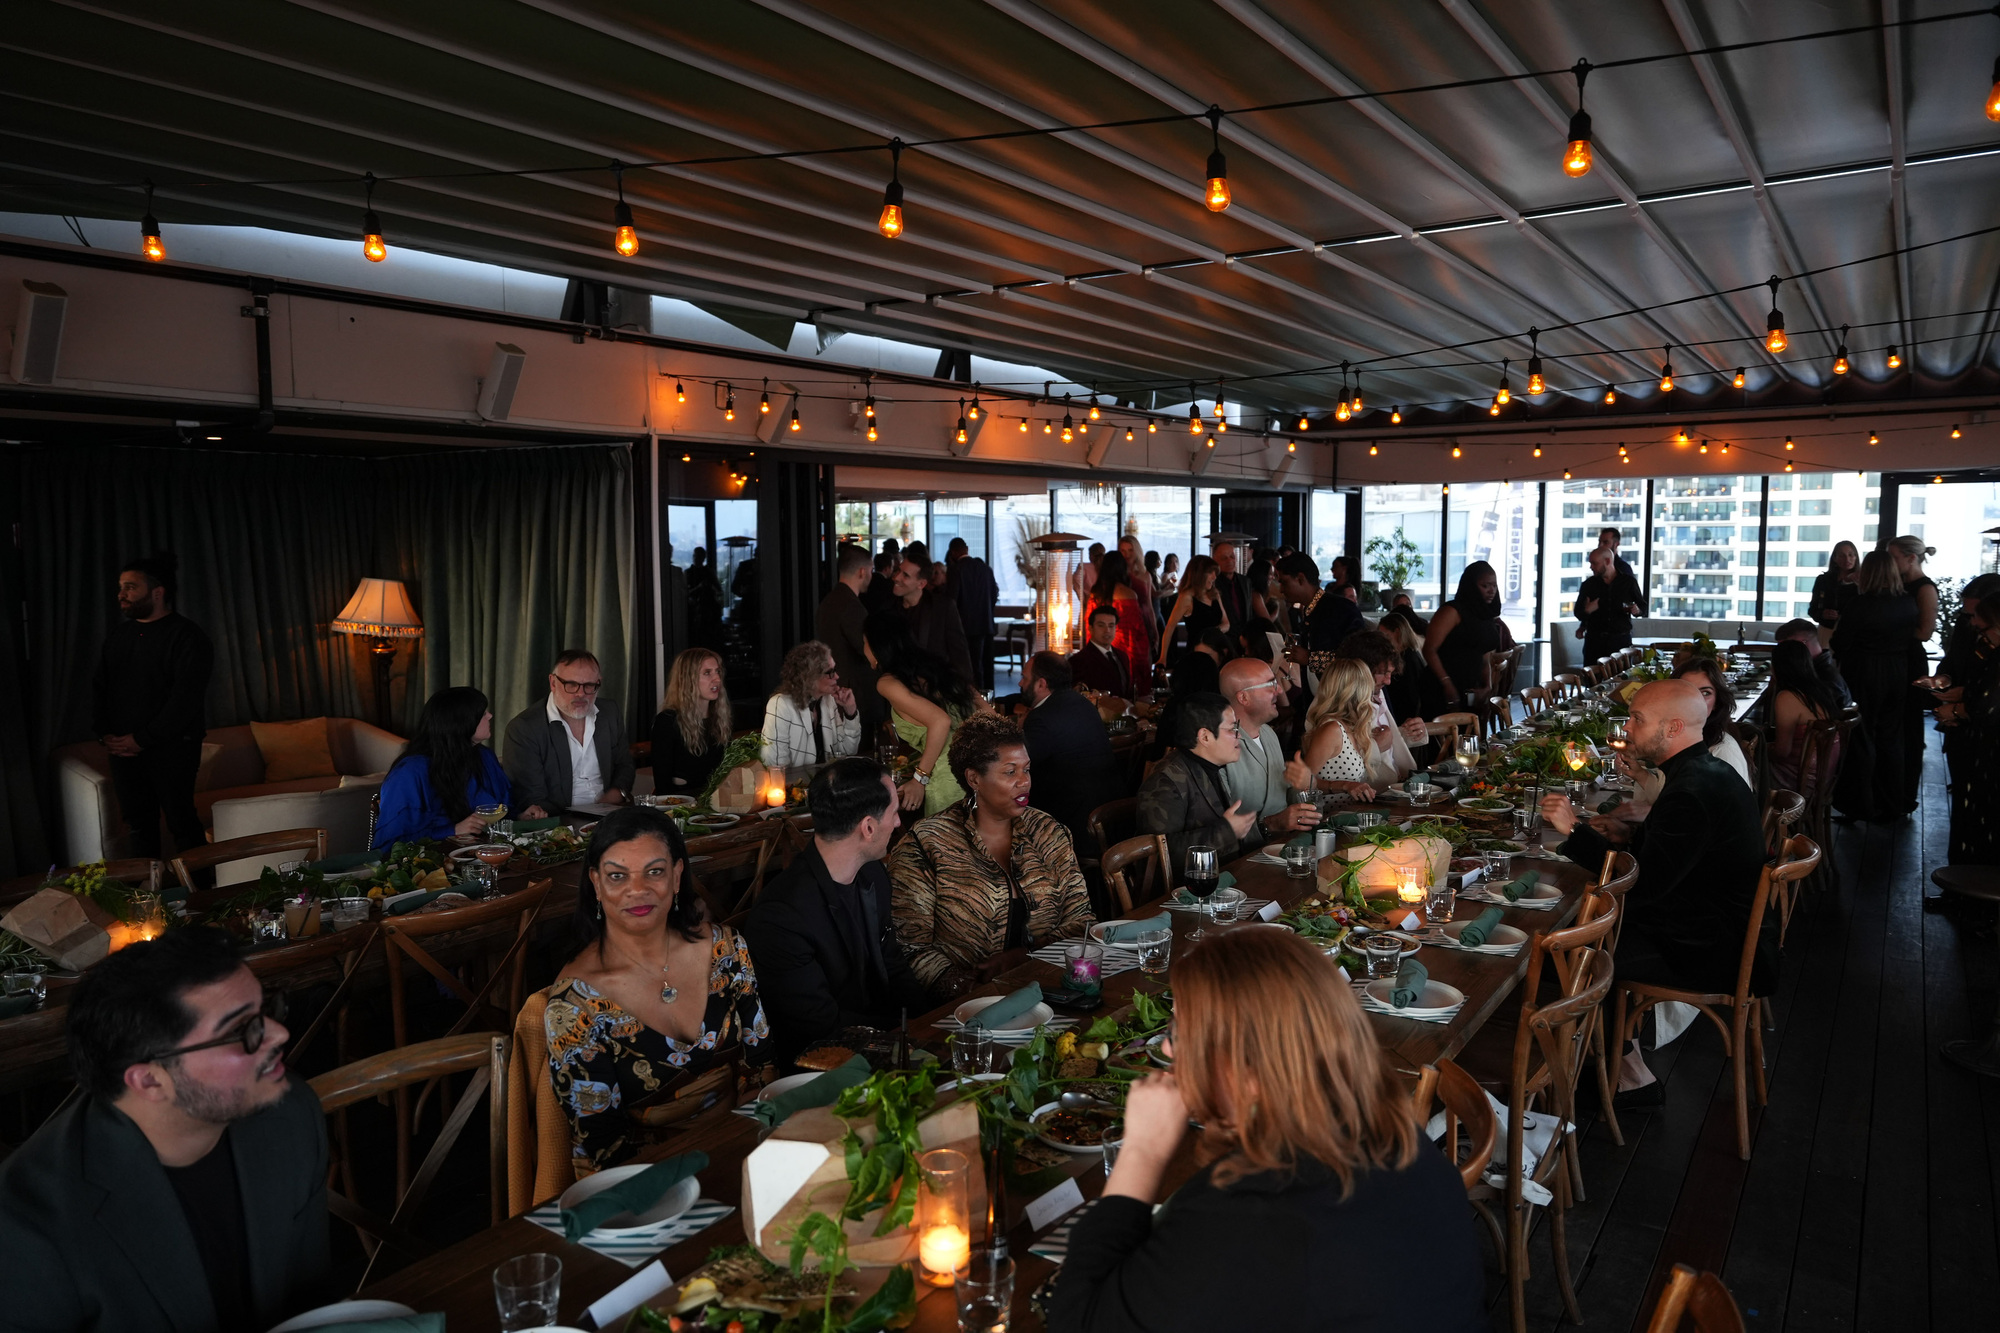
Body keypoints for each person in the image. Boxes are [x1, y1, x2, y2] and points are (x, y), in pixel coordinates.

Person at [1046, 926, 1484, 1333]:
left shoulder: (1251, 1214)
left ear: (1247, 1064)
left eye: (1181, 1030)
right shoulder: (1403, 1142)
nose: (1167, 1047)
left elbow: (1079, 1320)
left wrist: (1142, 1150)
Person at [0, 927, 330, 1333]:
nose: (280, 1034)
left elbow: (310, 1307)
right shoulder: (27, 1224)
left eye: (267, 1008)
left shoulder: (289, 1115)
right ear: (150, 1081)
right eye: (242, 1030)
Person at [1541, 680, 1767, 1101]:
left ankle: (1629, 1076)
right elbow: (1674, 858)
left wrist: (1573, 831)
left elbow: (1644, 886)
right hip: (1706, 921)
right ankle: (1602, 1057)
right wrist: (1628, 836)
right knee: (1586, 931)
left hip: (1708, 947)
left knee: (1575, 953)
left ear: (1673, 728)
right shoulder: (1701, 771)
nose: (1627, 728)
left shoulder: (1692, 790)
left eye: (1637, 719)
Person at [547, 807, 771, 1173]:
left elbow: (761, 1068)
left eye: (654, 872)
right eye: (617, 876)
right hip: (645, 1183)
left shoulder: (726, 950)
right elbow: (605, 1145)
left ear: (677, 875)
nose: (638, 890)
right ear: (596, 884)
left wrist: (753, 1155)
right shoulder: (575, 1005)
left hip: (746, 1151)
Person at [886, 713, 1095, 1000]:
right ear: (974, 778)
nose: (1024, 781)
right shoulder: (926, 844)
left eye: (1027, 769)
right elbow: (911, 948)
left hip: (1054, 989)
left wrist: (1028, 956)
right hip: (965, 1007)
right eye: (1010, 772)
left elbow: (1081, 920)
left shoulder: (1047, 832)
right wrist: (970, 990)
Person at [742, 758, 929, 1068]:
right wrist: (906, 1038)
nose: (898, 823)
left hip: (889, 1039)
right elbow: (818, 1026)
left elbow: (892, 962)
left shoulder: (873, 874)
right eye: (894, 813)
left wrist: (928, 1022)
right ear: (868, 828)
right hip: (823, 1067)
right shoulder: (781, 918)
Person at [92, 552, 214, 859]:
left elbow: (185, 700)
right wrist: (105, 734)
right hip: (124, 750)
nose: (121, 594)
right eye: (121, 587)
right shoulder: (119, 636)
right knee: (138, 824)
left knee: (181, 822)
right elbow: (101, 687)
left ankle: (201, 886)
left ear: (157, 592)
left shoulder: (187, 636)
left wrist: (143, 739)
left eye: (130, 587)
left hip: (173, 748)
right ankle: (146, 888)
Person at [1831, 548, 1919, 819]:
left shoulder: (1860, 604)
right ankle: (1891, 803)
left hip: (1864, 670)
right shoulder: (1907, 602)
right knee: (1891, 737)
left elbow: (1840, 642)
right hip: (1898, 670)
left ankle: (1859, 804)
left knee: (1861, 736)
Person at [866, 610, 979, 816]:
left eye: (864, 642)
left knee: (946, 837)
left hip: (948, 778)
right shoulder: (936, 669)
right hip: (978, 772)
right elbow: (986, 711)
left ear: (876, 646)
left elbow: (940, 721)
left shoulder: (887, 683)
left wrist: (919, 778)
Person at [503, 649, 636, 818]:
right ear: (553, 683)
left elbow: (625, 764)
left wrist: (616, 794)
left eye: (589, 686)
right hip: (561, 822)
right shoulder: (525, 728)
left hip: (611, 813)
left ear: (598, 683)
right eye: (571, 685)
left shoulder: (609, 712)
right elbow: (531, 797)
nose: (580, 694)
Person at [1136, 691, 1262, 867]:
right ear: (1205, 737)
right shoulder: (1165, 781)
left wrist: (1270, 825)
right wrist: (1226, 832)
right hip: (1191, 883)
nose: (1239, 735)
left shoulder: (1211, 766)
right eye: (1232, 729)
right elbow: (1158, 857)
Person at [374, 687, 511, 847]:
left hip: (486, 850)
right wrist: (453, 830)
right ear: (460, 722)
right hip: (434, 859)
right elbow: (391, 845)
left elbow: (500, 807)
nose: (490, 716)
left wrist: (521, 815)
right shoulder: (410, 773)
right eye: (482, 713)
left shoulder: (484, 756)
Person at [1018, 652, 1118, 851]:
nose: (1020, 683)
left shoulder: (1042, 717)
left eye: (1025, 678)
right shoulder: (1082, 703)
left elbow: (1019, 763)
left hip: (1072, 828)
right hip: (1108, 818)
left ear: (1041, 684)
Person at [1928, 591, 2000, 865]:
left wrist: (1957, 709)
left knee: (1981, 822)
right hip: (1979, 747)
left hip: (1989, 756)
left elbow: (1988, 705)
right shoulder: (1989, 650)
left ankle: (1973, 883)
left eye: (1981, 624)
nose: (1974, 626)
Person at [1216, 657, 1319, 838]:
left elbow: (1284, 800)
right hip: (1246, 852)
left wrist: (1304, 785)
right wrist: (1271, 824)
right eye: (1270, 684)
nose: (1279, 690)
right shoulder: (1220, 746)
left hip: (1285, 844)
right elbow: (1217, 830)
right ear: (1243, 697)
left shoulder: (1268, 733)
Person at [1335, 629, 1430, 784]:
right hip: (1371, 792)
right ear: (1360, 669)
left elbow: (1384, 742)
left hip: (1398, 784)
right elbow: (1335, 766)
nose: (1388, 681)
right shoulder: (1336, 704)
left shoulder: (1377, 692)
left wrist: (1408, 733)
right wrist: (1376, 747)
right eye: (1382, 673)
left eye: (1390, 673)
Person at [1885, 534, 1939, 801]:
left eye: (1893, 557)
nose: (1889, 562)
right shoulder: (1899, 585)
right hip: (1894, 658)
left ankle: (1905, 794)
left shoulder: (1925, 588)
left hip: (1910, 660)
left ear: (1911, 558)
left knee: (1909, 727)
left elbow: (1925, 632)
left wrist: (1889, 629)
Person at [760, 641, 862, 770]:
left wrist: (850, 711)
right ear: (810, 677)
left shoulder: (828, 700)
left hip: (826, 779)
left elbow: (847, 752)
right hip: (795, 782)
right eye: (830, 672)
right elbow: (775, 767)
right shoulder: (781, 704)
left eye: (835, 670)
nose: (837, 676)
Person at [1422, 561, 1506, 716]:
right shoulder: (1452, 611)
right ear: (1471, 585)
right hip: (1442, 686)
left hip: (1472, 689)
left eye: (1494, 586)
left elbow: (1484, 654)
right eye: (1485, 586)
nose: (1491, 591)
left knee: (1472, 729)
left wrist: (1487, 686)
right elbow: (1429, 650)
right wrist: (1446, 683)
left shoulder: (1485, 613)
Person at [817, 544, 883, 736]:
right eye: (871, 570)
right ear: (862, 571)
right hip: (855, 693)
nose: (871, 575)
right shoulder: (851, 606)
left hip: (836, 688)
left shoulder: (828, 602)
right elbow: (866, 651)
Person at [651, 648, 733, 795]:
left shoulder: (720, 719)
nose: (717, 679)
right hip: (681, 803)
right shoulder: (667, 721)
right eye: (707, 673)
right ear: (688, 679)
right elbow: (663, 784)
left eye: (718, 672)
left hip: (717, 802)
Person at [1299, 658, 1384, 802]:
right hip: (1328, 814)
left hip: (1349, 813)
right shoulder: (1332, 729)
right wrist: (1344, 785)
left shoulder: (1352, 727)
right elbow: (1303, 783)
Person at [892, 546, 975, 687]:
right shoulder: (889, 607)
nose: (896, 578)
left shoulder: (942, 608)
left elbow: (959, 654)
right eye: (898, 571)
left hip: (933, 688)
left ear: (921, 583)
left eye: (905, 575)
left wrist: (966, 691)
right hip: (896, 688)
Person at [1766, 639, 1841, 793]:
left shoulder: (1788, 697)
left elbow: (1782, 752)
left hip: (1797, 780)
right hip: (1823, 778)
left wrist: (1760, 749)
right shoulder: (1821, 690)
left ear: (1779, 667)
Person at [1273, 552, 1363, 679]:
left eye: (1284, 583)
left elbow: (1357, 660)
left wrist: (1310, 659)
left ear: (1300, 579)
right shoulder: (1311, 609)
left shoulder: (1341, 609)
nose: (1281, 589)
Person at [1667, 656, 1751, 788]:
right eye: (1687, 691)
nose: (1696, 700)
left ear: (1717, 702)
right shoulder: (1677, 739)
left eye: (1706, 693)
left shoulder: (1721, 751)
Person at [1575, 545, 1646, 665]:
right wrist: (1587, 610)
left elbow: (1643, 607)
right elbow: (1578, 613)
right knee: (1592, 676)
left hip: (1620, 642)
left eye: (1594, 563)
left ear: (1607, 561)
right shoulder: (1588, 585)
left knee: (1622, 675)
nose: (1591, 567)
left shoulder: (1628, 582)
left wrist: (1637, 610)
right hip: (1594, 643)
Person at [945, 537, 1000, 692]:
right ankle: (988, 698)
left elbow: (952, 600)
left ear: (953, 552)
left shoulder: (956, 570)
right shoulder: (985, 569)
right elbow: (994, 594)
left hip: (964, 626)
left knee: (970, 667)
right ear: (967, 549)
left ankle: (973, 699)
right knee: (986, 665)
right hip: (986, 624)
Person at [1157, 553, 1229, 670]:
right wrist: (1163, 658)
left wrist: (1212, 634)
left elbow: (1226, 623)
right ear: (1199, 574)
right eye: (1210, 573)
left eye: (1215, 573)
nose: (1214, 577)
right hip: (1197, 655)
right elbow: (1170, 627)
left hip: (1218, 653)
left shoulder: (1214, 594)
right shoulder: (1187, 597)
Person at [1091, 550, 1153, 674]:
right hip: (1124, 649)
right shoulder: (1128, 594)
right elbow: (1137, 628)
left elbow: (1089, 624)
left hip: (1099, 647)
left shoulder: (1095, 593)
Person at [1071, 604, 1137, 698]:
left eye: (1111, 626)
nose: (1107, 630)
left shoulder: (1122, 656)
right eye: (1101, 625)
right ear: (1091, 628)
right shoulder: (1079, 660)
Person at [1376, 611, 1429, 725]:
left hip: (1404, 720)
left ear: (1397, 632)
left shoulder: (1408, 659)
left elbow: (1410, 698)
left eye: (1386, 635)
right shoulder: (1410, 654)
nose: (1382, 641)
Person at [1118, 534, 1161, 668]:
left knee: (1143, 660)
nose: (1127, 554)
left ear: (1136, 551)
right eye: (1123, 551)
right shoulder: (1117, 574)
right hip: (1123, 621)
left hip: (1143, 619)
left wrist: (1155, 629)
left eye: (1130, 550)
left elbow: (1148, 604)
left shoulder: (1145, 575)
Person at [1808, 541, 1860, 635]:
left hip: (1854, 632)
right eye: (1842, 556)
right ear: (1835, 558)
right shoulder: (1823, 580)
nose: (1847, 559)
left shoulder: (1862, 581)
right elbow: (1812, 610)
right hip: (1827, 630)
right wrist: (1823, 614)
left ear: (1856, 557)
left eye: (1851, 555)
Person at [1210, 540, 1254, 641]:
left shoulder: (1245, 582)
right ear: (1214, 560)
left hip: (1245, 640)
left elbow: (1249, 613)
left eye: (1232, 557)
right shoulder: (1212, 584)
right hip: (1222, 640)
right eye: (1224, 558)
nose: (1229, 561)